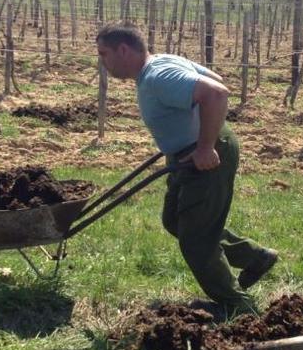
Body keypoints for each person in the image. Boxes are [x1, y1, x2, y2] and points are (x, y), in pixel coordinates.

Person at [96, 23, 278, 318]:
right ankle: (255, 257)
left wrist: (205, 146)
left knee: (196, 239)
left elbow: (217, 93)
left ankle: (236, 307)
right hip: (188, 154)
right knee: (175, 221)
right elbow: (212, 77)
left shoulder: (158, 76)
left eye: (104, 54)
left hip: (206, 155)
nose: (102, 62)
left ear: (123, 50)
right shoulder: (160, 64)